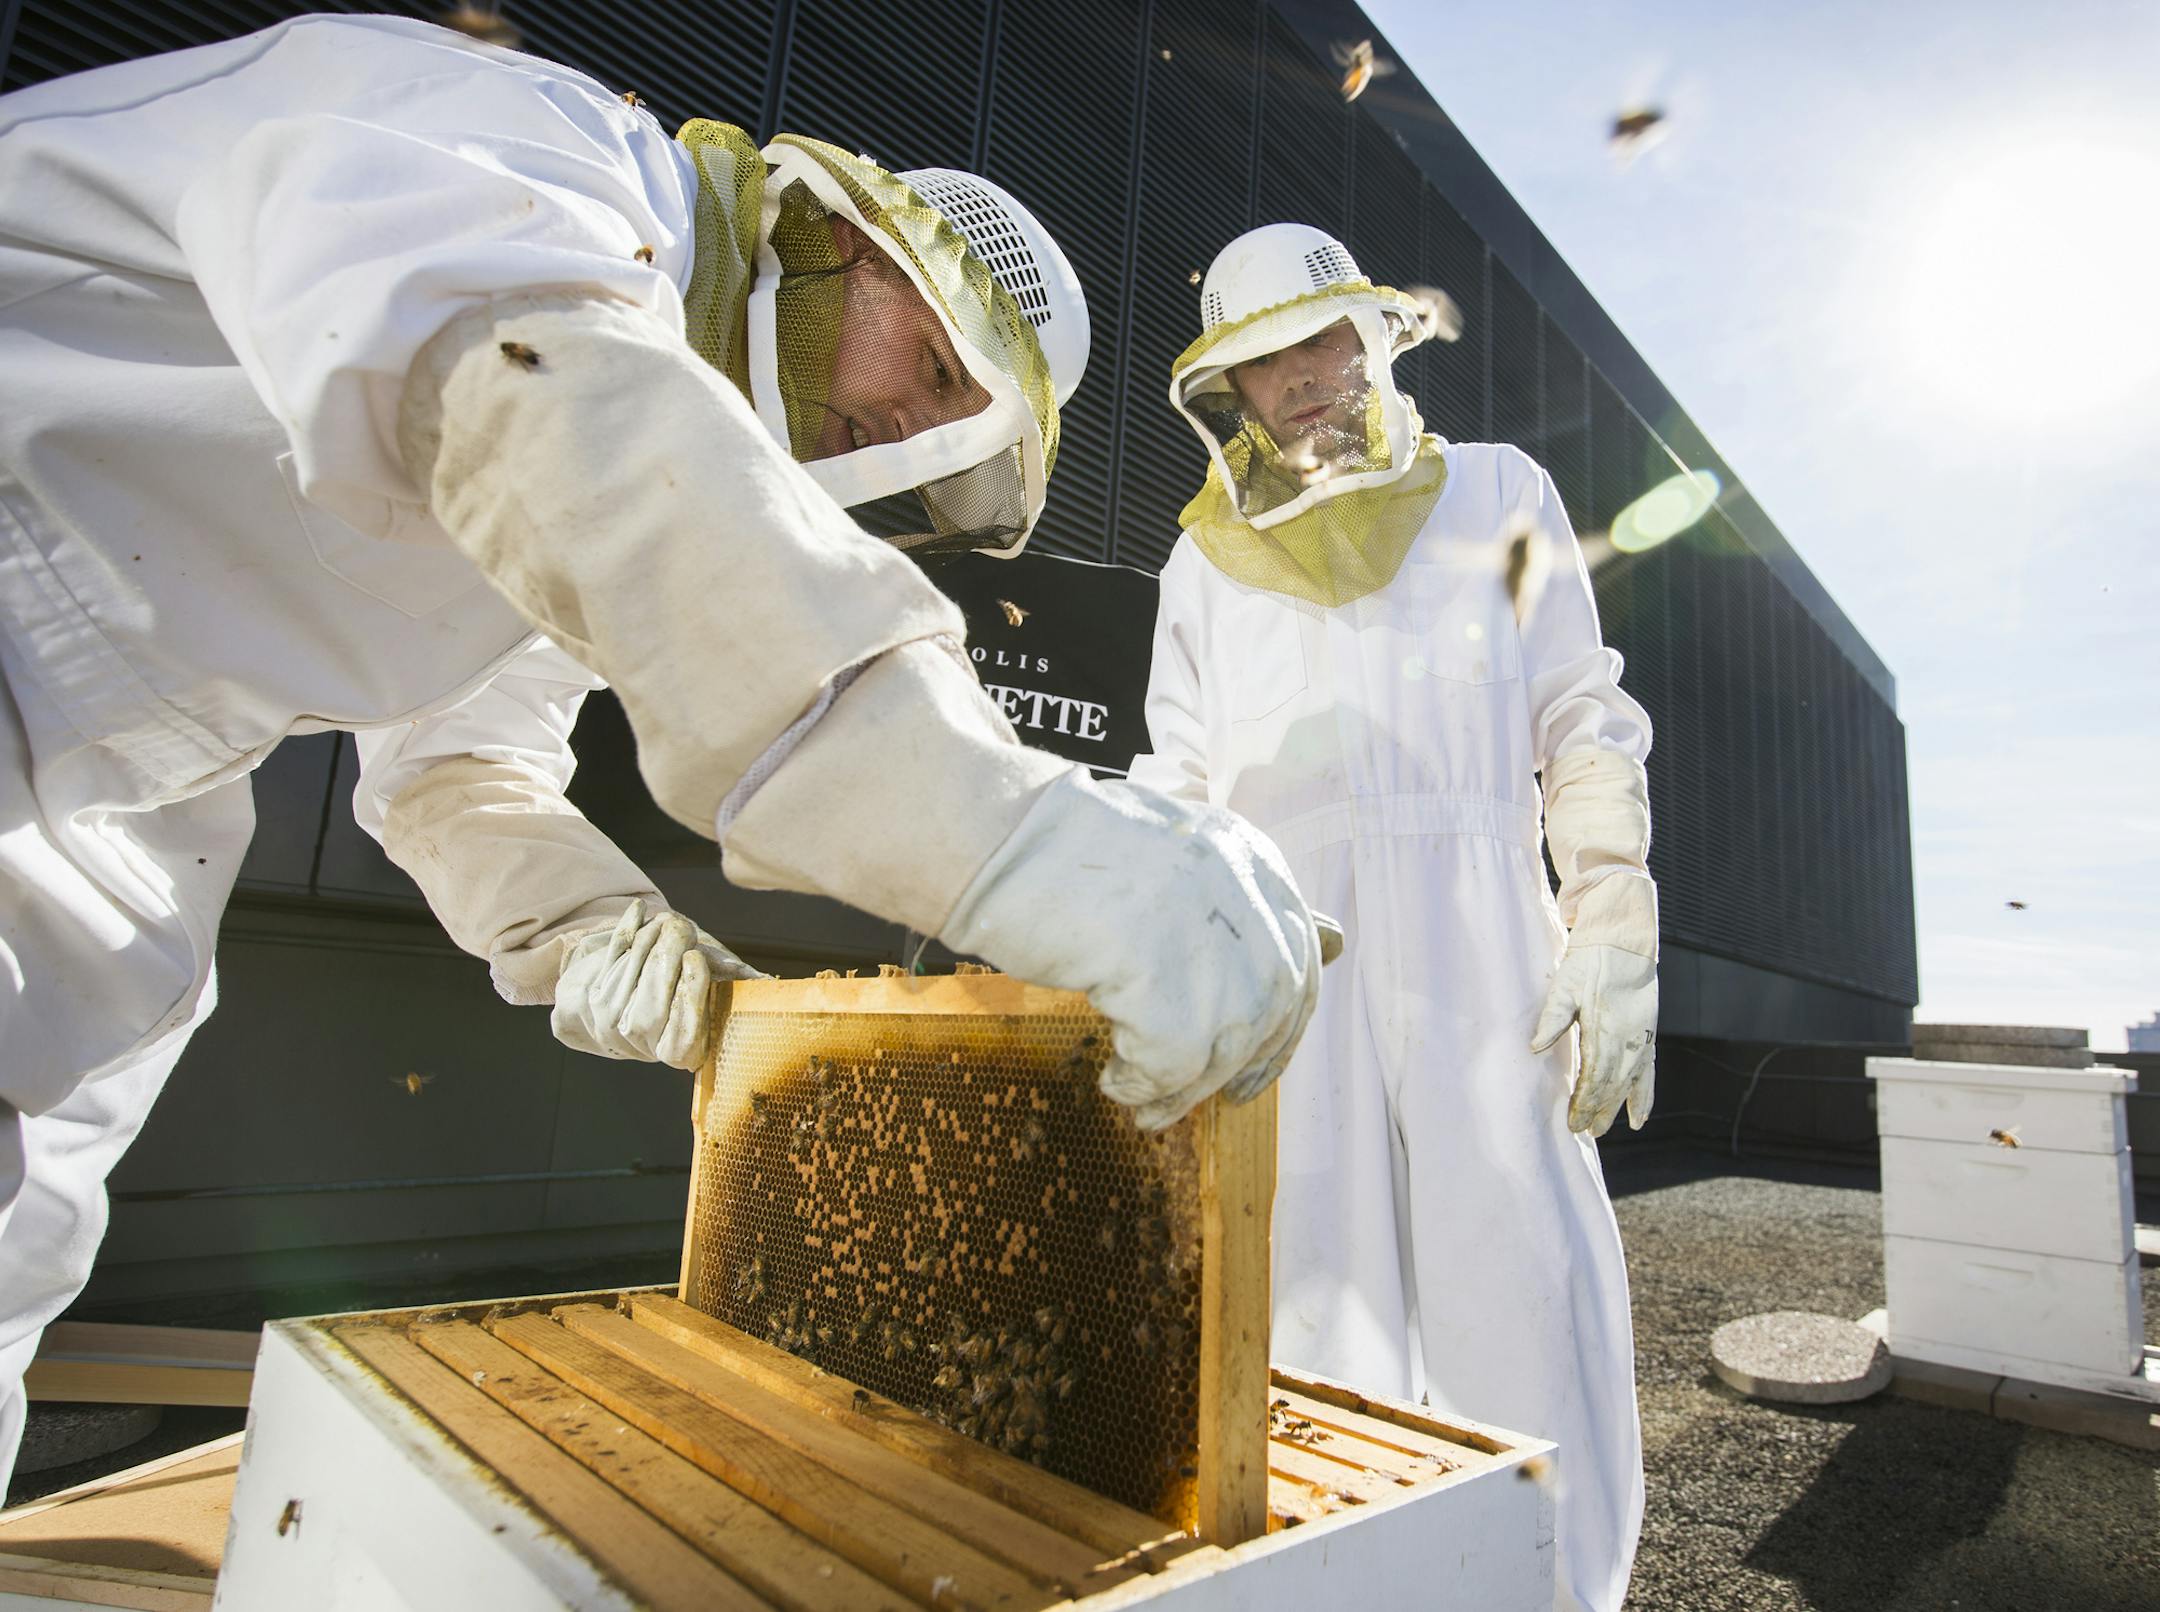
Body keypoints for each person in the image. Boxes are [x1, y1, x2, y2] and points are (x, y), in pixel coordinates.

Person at [0, 17, 1321, 1490]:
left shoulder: (593, 477)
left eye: (948, 436)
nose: (901, 426)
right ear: (843, 240)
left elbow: (453, 771)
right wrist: (994, 826)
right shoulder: (547, 157)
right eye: (933, 366)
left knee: (17, 1235)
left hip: (115, 784)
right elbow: (523, 376)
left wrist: (597, 931)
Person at [1127, 223, 1657, 1612]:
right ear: (1225, 395)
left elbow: (1579, 711)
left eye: (1323, 340)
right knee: (1308, 1303)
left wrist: (1610, 915)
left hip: (1490, 943)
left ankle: (1553, 1593)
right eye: (1265, 362)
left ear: (1374, 341)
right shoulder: (1198, 568)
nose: (1304, 378)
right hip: (1290, 969)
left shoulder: (1495, 490)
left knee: (1523, 1291)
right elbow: (1175, 794)